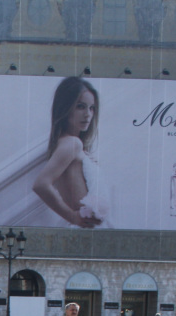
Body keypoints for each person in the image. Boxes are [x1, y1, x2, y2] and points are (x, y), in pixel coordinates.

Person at [31, 77, 108, 229]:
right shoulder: (72, 144)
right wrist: (72, 216)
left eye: (92, 108)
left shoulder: (70, 145)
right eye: (80, 106)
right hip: (84, 229)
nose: (88, 114)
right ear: (65, 108)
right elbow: (41, 185)